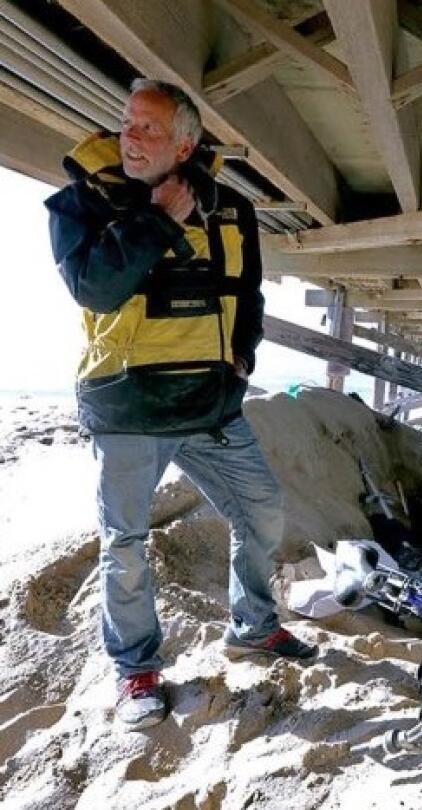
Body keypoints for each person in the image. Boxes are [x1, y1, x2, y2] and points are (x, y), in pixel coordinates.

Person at [44, 79, 317, 731]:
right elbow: (96, 289)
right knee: (126, 545)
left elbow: (246, 294)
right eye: (128, 123)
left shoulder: (231, 209)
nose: (130, 137)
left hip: (210, 408)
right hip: (127, 409)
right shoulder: (79, 204)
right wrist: (159, 218)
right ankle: (137, 669)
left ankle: (253, 626)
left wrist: (243, 356)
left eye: (149, 129)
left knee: (263, 512)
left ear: (186, 144)